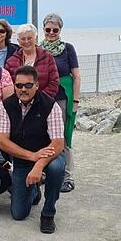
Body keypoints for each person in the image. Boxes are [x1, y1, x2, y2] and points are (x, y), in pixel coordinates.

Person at [0, 65, 65, 234]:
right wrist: (32, 156)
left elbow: (58, 143)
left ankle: (48, 213)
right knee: (18, 214)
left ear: (36, 85)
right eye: (19, 85)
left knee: (57, 168)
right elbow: (3, 142)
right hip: (23, 158)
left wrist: (39, 165)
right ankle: (34, 191)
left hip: (49, 155)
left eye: (28, 85)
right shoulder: (6, 105)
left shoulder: (51, 105)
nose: (23, 89)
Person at [41, 13, 81, 193]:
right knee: (42, 135)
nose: (51, 33)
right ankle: (46, 171)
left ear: (60, 30)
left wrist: (75, 100)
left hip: (63, 97)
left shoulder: (67, 49)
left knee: (63, 136)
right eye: (48, 29)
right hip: (43, 99)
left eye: (54, 30)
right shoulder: (39, 49)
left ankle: (67, 175)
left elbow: (76, 75)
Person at [4, 24, 60, 99]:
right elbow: (8, 85)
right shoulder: (11, 61)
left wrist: (39, 99)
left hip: (43, 102)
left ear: (36, 39)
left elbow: (54, 82)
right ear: (18, 41)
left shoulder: (47, 57)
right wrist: (22, 99)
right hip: (19, 104)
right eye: (23, 39)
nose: (26, 41)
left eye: (29, 38)